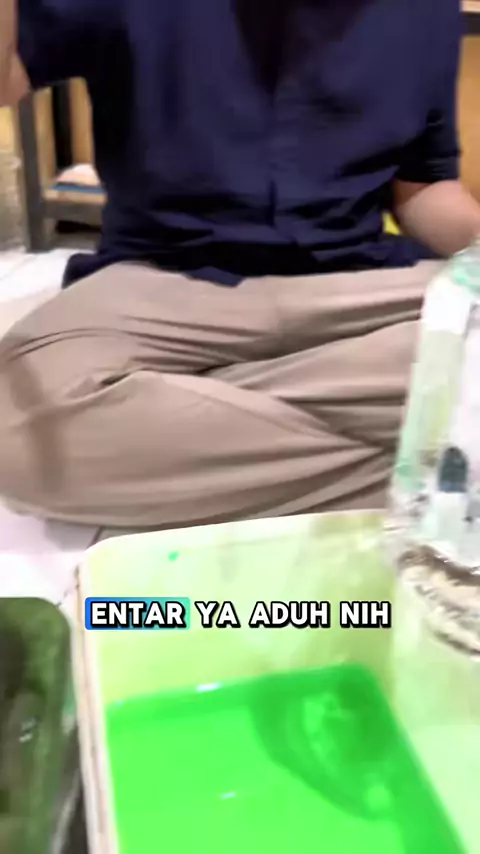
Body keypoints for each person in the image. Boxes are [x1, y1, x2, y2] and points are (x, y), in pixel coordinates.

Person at [1, 0, 479, 529]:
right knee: (17, 435)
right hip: (163, 280)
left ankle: (190, 418)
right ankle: (429, 463)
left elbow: (421, 189)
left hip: (354, 284)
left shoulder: (425, 9)